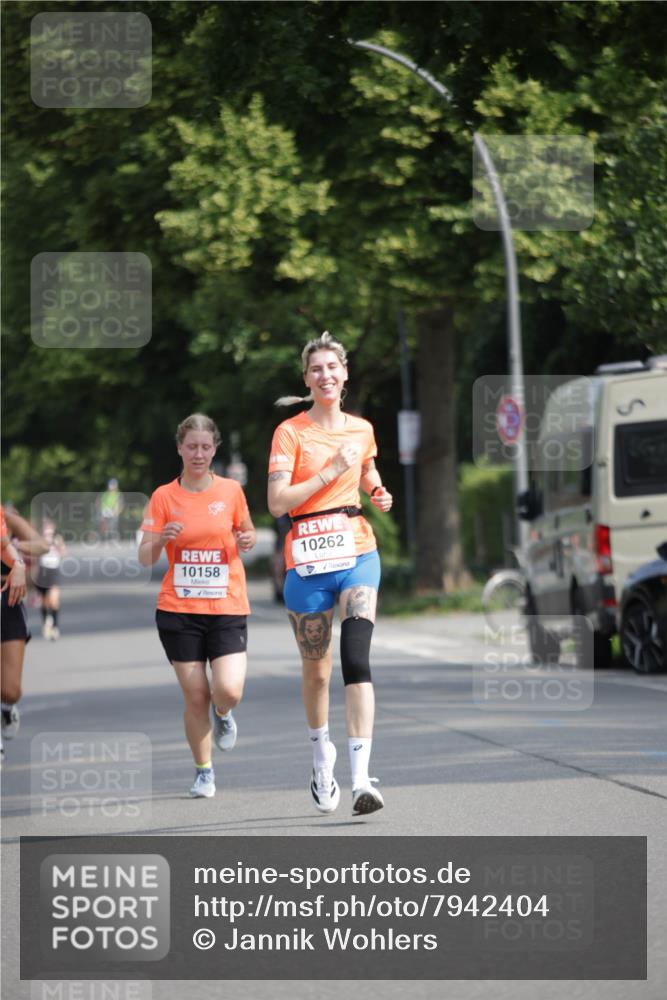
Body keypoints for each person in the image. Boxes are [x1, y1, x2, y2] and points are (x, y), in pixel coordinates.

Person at [267, 331, 393, 816]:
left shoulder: (361, 429)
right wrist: (328, 471)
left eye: (332, 367)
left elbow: (366, 470)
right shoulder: (290, 433)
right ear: (306, 379)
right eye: (316, 369)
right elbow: (277, 502)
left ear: (344, 375)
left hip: (357, 550)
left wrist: (377, 491)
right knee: (317, 672)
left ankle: (361, 780)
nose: (325, 375)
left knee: (356, 659)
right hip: (308, 560)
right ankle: (323, 758)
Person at [138, 414, 256, 798]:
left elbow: (246, 530)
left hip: (226, 606)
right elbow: (143, 556)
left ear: (215, 449)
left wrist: (248, 539)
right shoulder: (163, 496)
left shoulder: (231, 491)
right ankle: (204, 771)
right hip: (179, 610)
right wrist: (161, 539)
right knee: (195, 695)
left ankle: (224, 713)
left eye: (206, 447)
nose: (199, 454)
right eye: (192, 447)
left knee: (228, 690)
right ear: (179, 448)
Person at [1, 505, 49, 757]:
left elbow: (42, 545)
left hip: (7, 599)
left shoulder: (8, 520)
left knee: (9, 690)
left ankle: (7, 708)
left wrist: (16, 548)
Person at [34, 519, 66, 640]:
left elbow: (63, 554)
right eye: (45, 528)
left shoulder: (57, 540)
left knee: (54, 600)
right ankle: (46, 621)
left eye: (50, 528)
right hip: (42, 571)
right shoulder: (39, 541)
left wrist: (58, 546)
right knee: (44, 602)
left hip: (54, 571)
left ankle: (55, 627)